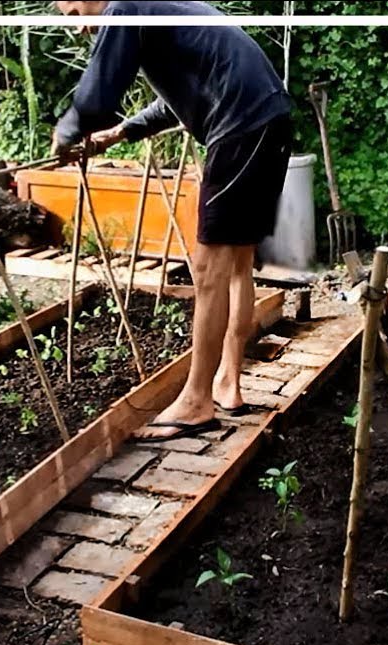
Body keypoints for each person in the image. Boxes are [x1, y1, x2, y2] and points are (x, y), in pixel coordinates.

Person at [52, 0, 293, 441]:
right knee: (236, 262)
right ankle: (227, 383)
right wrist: (121, 133)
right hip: (266, 119)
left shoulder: (125, 8)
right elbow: (178, 98)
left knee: (207, 268)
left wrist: (69, 130)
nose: (79, 28)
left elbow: (98, 93)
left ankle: (196, 401)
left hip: (241, 126)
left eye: (73, 14)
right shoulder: (159, 8)